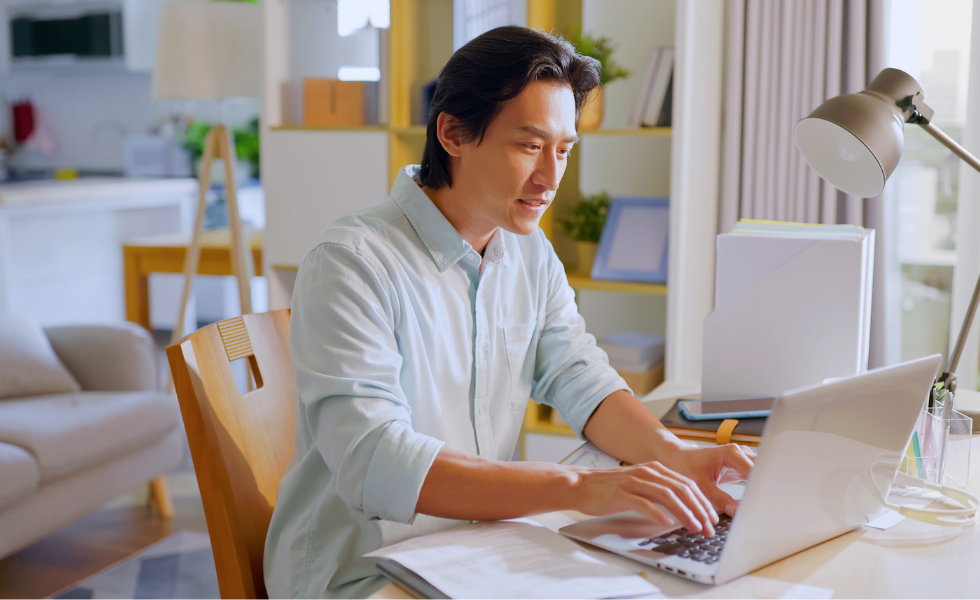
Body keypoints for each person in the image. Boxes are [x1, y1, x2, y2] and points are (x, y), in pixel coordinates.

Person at [264, 25, 754, 598]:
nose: (550, 178)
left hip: (470, 552)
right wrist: (578, 487)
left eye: (564, 150)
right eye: (529, 145)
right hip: (361, 575)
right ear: (452, 132)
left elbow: (577, 372)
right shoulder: (351, 262)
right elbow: (374, 459)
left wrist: (673, 454)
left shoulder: (527, 250)